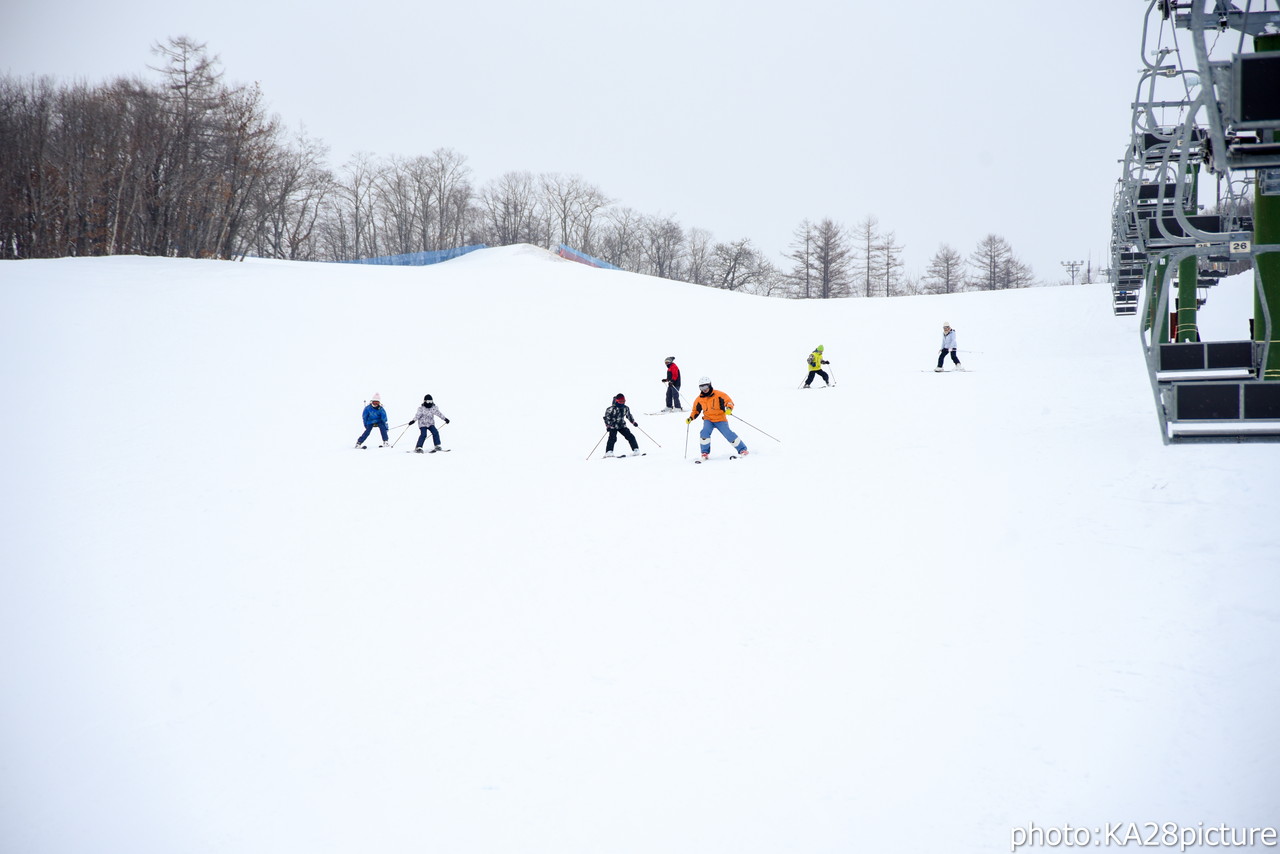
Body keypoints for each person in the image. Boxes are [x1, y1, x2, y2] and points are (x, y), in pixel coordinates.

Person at [686, 377, 748, 460]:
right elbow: (695, 410)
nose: (704, 389)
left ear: (710, 385)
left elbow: (729, 401)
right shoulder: (699, 399)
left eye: (705, 387)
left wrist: (729, 408)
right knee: (704, 433)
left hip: (720, 419)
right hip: (708, 420)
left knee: (728, 434)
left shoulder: (719, 394)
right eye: (701, 387)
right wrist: (691, 418)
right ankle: (705, 453)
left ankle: (742, 450)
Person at [603, 393, 641, 457]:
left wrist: (633, 422)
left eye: (623, 401)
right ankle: (609, 452)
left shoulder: (626, 408)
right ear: (617, 401)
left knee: (630, 436)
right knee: (612, 438)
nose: (622, 403)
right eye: (620, 401)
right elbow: (607, 418)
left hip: (621, 425)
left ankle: (635, 449)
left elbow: (629, 416)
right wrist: (608, 426)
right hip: (613, 426)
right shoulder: (610, 409)